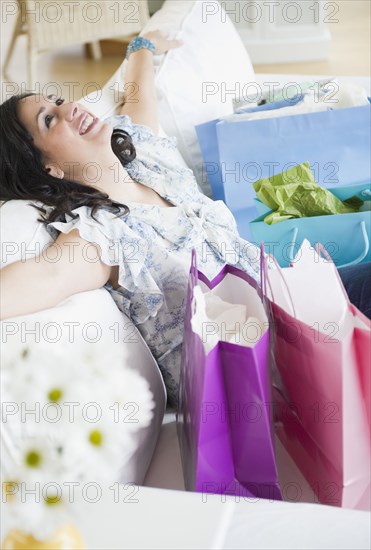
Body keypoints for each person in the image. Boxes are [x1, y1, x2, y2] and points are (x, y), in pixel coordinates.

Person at [0, 32, 370, 407]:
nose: (70, 108)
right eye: (49, 119)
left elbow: (139, 102)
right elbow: (42, 277)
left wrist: (142, 49)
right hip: (272, 372)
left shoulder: (145, 158)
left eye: (59, 101)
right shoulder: (101, 236)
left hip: (295, 301)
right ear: (47, 168)